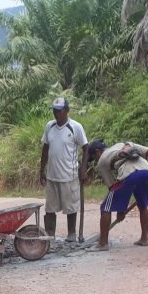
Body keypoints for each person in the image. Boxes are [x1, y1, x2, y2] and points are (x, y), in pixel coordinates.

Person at [86, 140, 148, 250]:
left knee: (106, 207)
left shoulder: (101, 161)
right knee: (142, 205)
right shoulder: (122, 144)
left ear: (98, 152)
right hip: (146, 171)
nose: (95, 160)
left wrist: (120, 210)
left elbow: (113, 188)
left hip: (130, 173)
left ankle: (102, 243)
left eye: (94, 157)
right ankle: (144, 239)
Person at [38, 97, 89, 241]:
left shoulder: (75, 127)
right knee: (50, 208)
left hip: (69, 174)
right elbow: (45, 148)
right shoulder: (50, 126)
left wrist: (83, 170)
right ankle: (50, 235)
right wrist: (42, 169)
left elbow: (86, 148)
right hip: (52, 175)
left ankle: (71, 234)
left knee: (70, 207)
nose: (56, 114)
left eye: (59, 111)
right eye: (54, 111)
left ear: (67, 111)